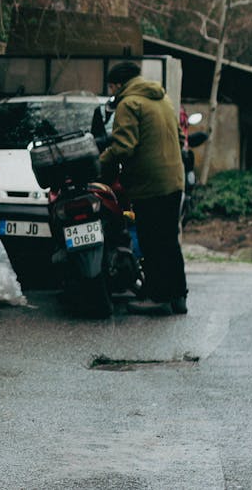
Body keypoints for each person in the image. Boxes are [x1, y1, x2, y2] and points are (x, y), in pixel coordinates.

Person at [99, 61, 189, 315]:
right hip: (174, 179)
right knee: (169, 240)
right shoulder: (163, 99)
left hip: (149, 183)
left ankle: (158, 298)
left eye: (111, 87)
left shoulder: (129, 104)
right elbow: (180, 137)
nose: (111, 92)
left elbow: (124, 146)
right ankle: (178, 297)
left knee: (152, 242)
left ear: (118, 84)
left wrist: (100, 161)